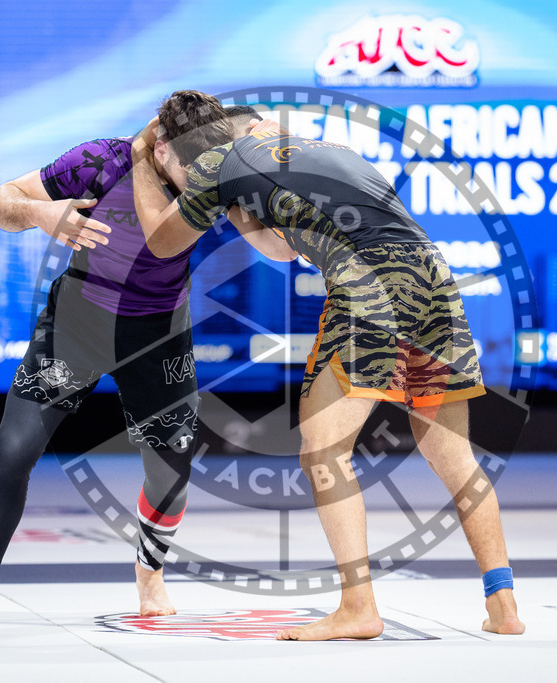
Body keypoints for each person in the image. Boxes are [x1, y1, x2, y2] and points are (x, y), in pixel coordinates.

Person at [130, 111, 525, 640]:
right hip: (432, 275)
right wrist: (240, 208)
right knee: (454, 457)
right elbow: (285, 248)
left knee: (324, 451)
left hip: (369, 282)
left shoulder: (219, 161)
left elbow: (161, 242)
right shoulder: (332, 150)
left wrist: (140, 158)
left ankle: (358, 607)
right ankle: (503, 605)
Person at [0, 92, 287, 627]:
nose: (201, 180)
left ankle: (150, 572)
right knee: (13, 451)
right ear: (163, 147)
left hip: (157, 333)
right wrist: (39, 212)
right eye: (190, 168)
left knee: (171, 469)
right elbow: (1, 202)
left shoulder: (217, 171)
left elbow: (274, 236)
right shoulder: (100, 161)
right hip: (78, 322)